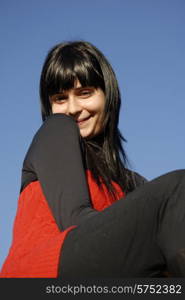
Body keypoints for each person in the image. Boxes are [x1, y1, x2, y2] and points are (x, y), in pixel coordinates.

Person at [0, 41, 185, 278]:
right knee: (178, 189)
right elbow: (77, 219)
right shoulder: (56, 130)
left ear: (108, 96)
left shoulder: (131, 182)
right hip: (41, 274)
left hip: (97, 280)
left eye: (84, 93)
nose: (73, 108)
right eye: (60, 98)